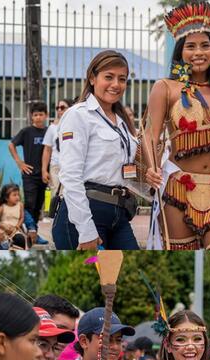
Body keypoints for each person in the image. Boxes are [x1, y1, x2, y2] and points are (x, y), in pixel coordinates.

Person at [142, 2, 210, 249]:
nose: (199, 52)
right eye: (191, 46)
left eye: (205, 46)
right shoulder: (165, 88)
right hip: (179, 188)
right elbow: (150, 135)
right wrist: (152, 168)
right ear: (180, 52)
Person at [52, 51, 151, 250]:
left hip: (119, 213)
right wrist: (86, 230)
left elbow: (126, 173)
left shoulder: (122, 123)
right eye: (109, 77)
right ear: (92, 78)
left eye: (122, 79)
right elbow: (70, 175)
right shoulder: (78, 115)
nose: (116, 84)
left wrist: (156, 191)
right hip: (85, 214)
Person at [8, 102, 49, 227]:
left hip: (44, 174)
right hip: (29, 174)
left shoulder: (49, 131)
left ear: (46, 116)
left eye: (41, 115)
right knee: (30, 203)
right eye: (35, 115)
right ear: (31, 116)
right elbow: (11, 145)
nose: (38, 117)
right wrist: (19, 162)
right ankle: (28, 229)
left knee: (39, 204)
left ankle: (34, 230)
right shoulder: (27, 131)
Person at [41, 97, 70, 215]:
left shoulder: (74, 125)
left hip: (70, 165)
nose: (59, 110)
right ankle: (57, 215)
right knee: (56, 192)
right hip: (56, 165)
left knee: (68, 192)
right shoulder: (52, 128)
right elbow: (47, 149)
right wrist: (44, 170)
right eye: (57, 107)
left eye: (62, 107)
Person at [0, 184, 30, 249]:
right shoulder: (3, 207)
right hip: (4, 230)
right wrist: (1, 225)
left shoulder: (20, 205)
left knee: (21, 239)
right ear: (6, 198)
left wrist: (18, 225)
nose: (17, 197)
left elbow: (22, 217)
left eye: (18, 195)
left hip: (15, 230)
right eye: (14, 195)